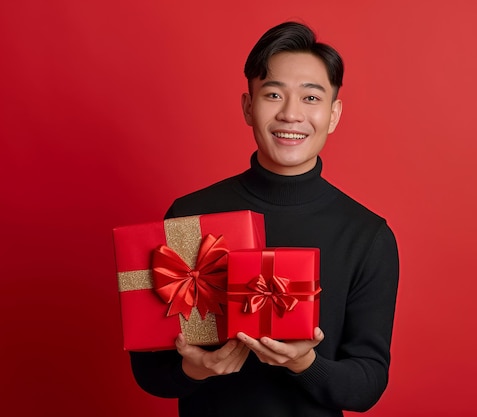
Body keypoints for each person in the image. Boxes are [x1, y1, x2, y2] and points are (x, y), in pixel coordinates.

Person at [129, 21, 400, 417]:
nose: (291, 114)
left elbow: (366, 387)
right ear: (247, 106)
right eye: (273, 94)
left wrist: (303, 364)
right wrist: (195, 368)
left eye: (311, 98)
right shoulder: (190, 214)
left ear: (333, 113)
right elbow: (149, 371)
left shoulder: (366, 235)